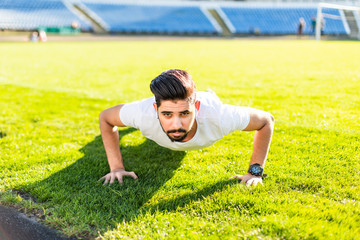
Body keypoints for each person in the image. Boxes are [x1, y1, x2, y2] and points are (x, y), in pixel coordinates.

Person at [99, 69, 274, 186]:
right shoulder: (143, 114)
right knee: (136, 116)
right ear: (156, 109)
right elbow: (106, 118)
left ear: (196, 108)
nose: (176, 125)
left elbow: (266, 121)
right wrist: (116, 168)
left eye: (184, 114)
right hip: (146, 116)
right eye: (167, 114)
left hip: (207, 101)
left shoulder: (219, 116)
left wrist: (255, 172)